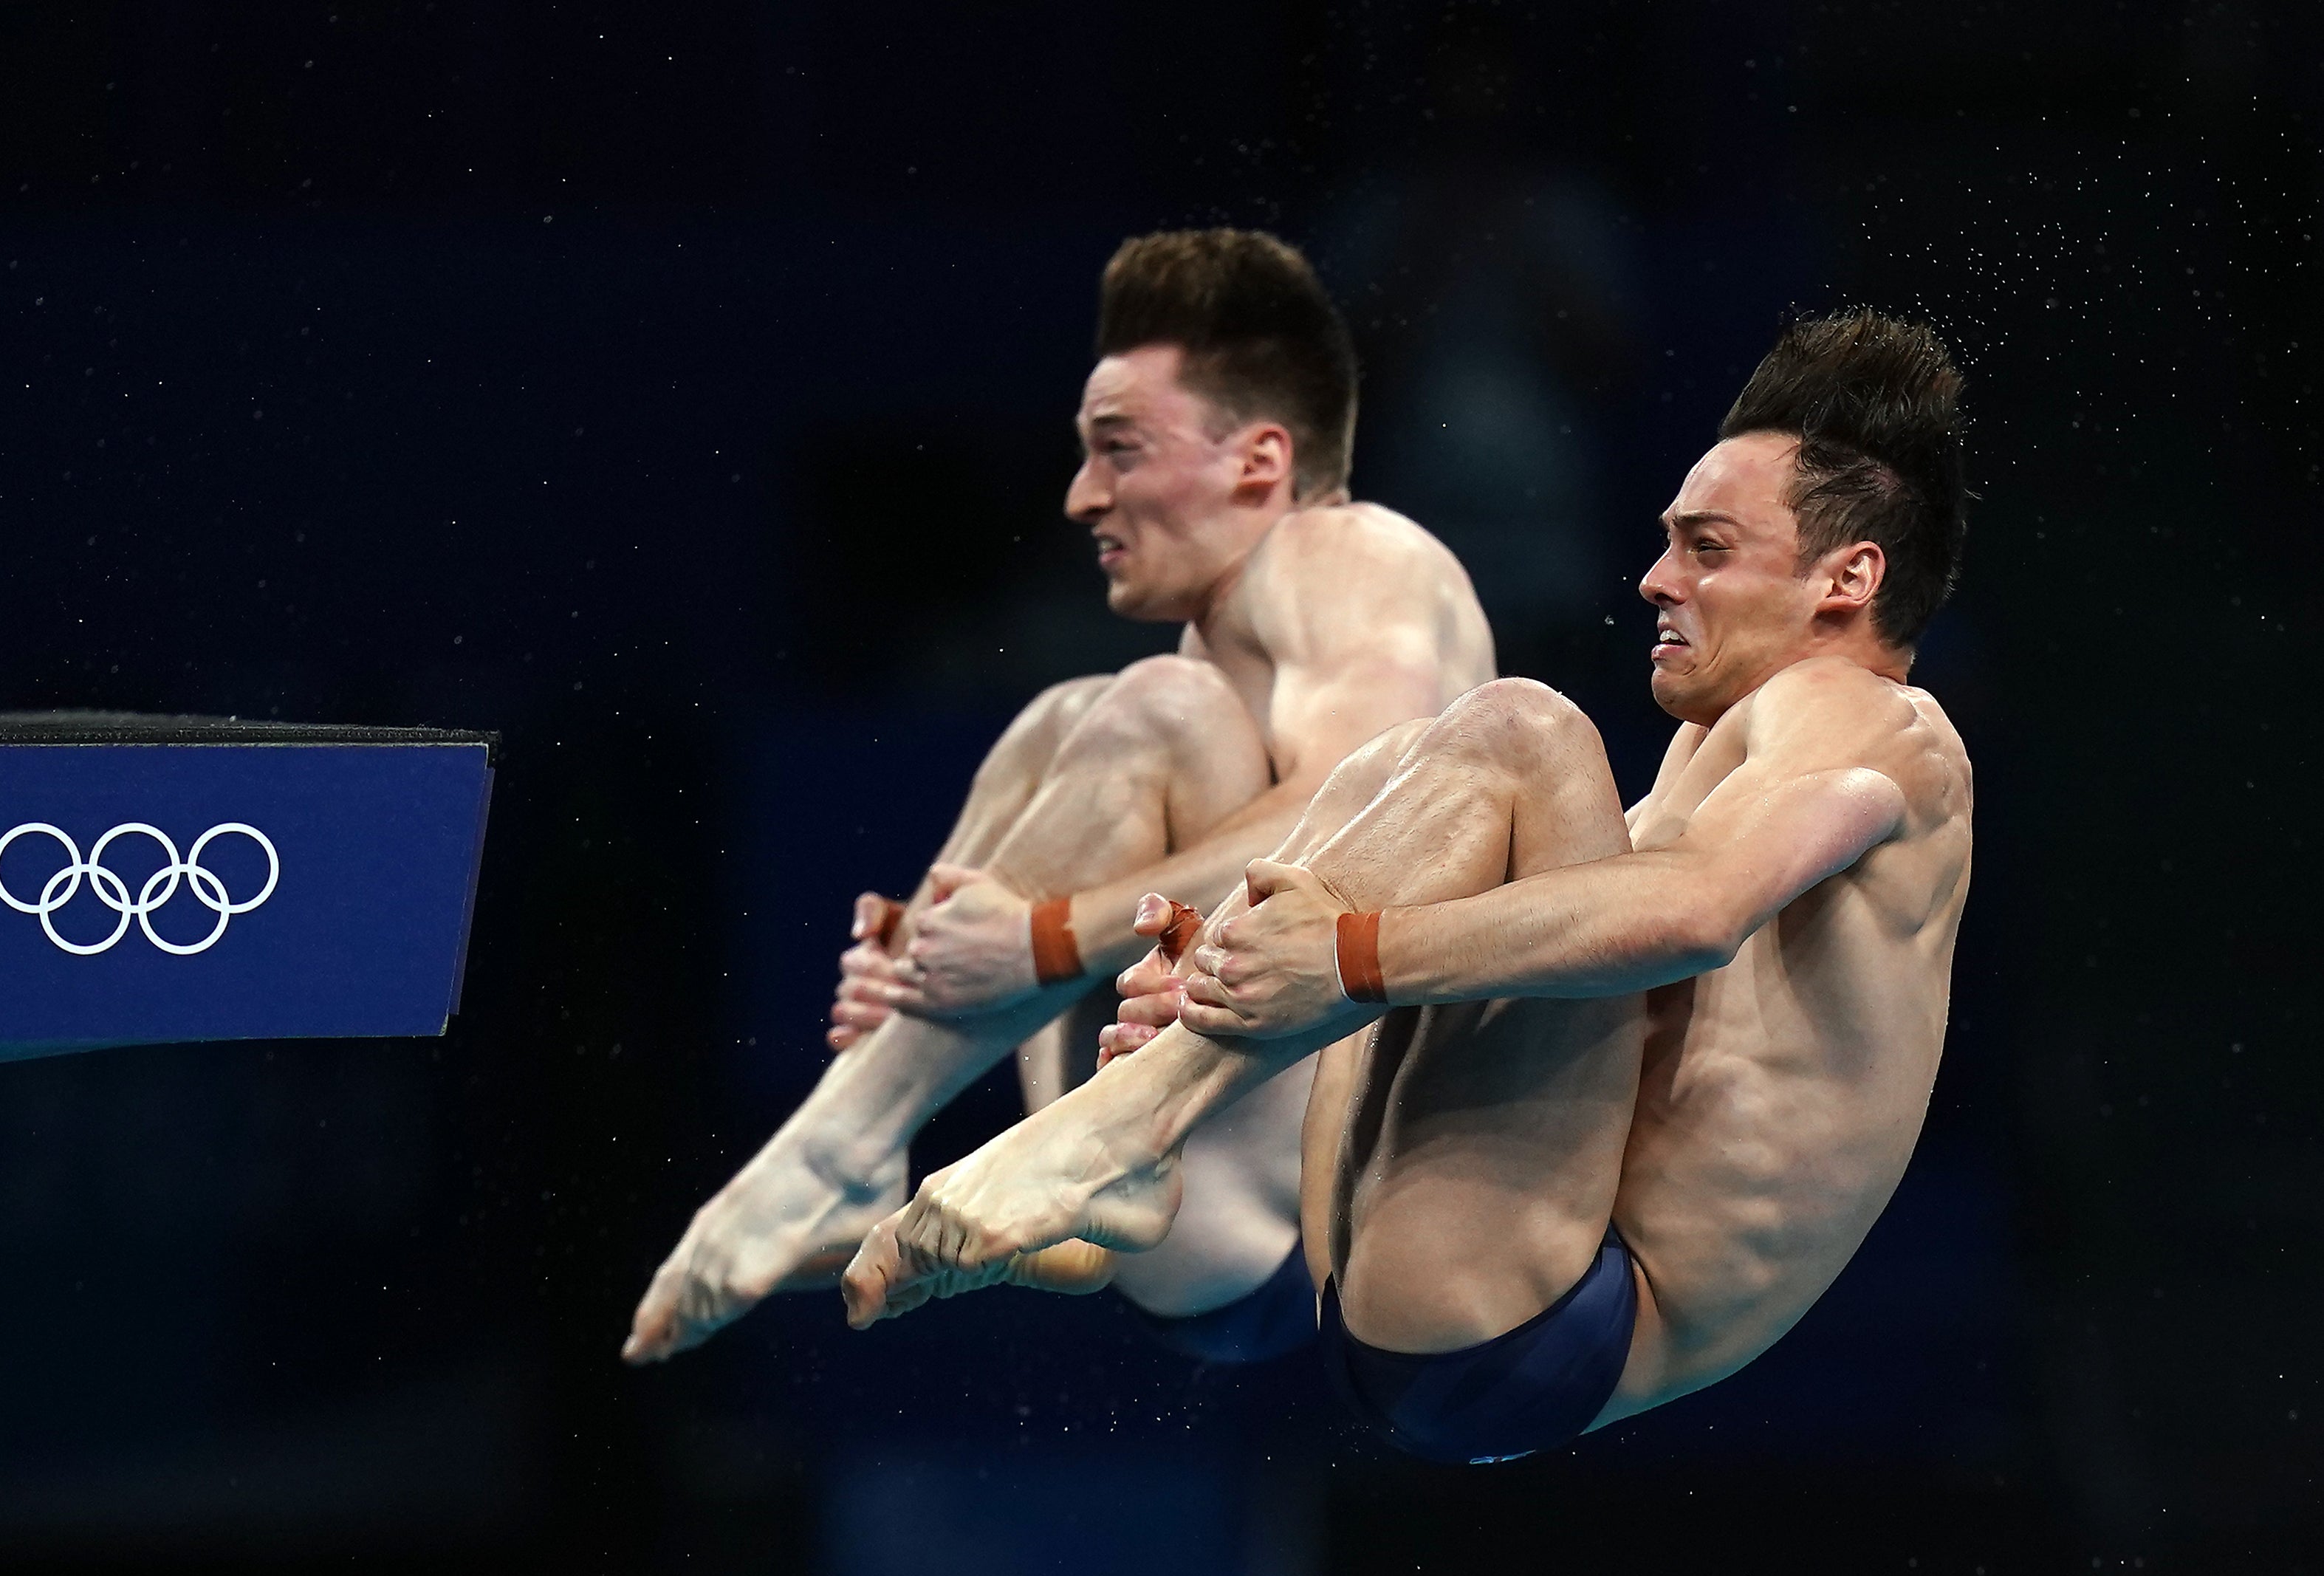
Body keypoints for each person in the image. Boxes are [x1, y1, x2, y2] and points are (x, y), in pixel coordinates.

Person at [840, 308, 1975, 1466]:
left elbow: (1693, 917)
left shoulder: (1881, 726)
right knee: (1399, 764)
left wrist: (1341, 958)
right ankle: (1146, 1113)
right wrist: (1230, 952)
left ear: (1850, 577)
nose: (1653, 579)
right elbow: (1541, 933)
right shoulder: (1721, 757)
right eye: (1668, 542)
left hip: (1554, 1313)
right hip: (1442, 1295)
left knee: (1525, 731)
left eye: (1707, 548)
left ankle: (1126, 1130)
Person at [624, 230, 1495, 1364]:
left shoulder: (1357, 555)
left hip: (1339, 1206)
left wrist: (1036, 939)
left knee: (1156, 709)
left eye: (1119, 451)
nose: (1083, 497)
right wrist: (922, 961)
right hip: (1215, 1209)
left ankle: (848, 1141)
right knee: (1068, 716)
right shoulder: (1244, 632)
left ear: (1258, 463)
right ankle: (868, 1119)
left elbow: (1351, 827)